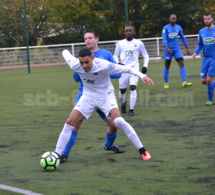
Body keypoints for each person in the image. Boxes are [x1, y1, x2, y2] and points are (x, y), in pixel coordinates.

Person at [55, 48, 154, 161]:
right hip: (88, 97)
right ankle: (57, 155)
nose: (84, 66)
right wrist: (65, 50)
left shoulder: (104, 65)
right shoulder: (75, 64)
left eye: (87, 62)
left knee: (118, 121)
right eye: (82, 62)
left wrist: (142, 76)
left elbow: (127, 69)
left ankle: (142, 149)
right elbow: (65, 53)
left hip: (106, 96)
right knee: (69, 122)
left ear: (93, 58)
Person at [60, 29, 123, 163]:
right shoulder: (82, 57)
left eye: (90, 38)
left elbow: (118, 74)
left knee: (114, 126)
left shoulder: (105, 54)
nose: (87, 40)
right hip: (85, 95)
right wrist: (81, 69)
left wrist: (101, 73)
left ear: (97, 39)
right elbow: (76, 79)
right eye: (85, 38)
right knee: (75, 123)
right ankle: (64, 154)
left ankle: (109, 146)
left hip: (102, 95)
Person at [114, 26, 149, 116]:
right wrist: (118, 63)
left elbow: (145, 55)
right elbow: (115, 55)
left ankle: (131, 109)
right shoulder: (120, 43)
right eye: (126, 31)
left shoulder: (139, 43)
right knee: (122, 91)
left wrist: (145, 66)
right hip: (123, 69)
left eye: (130, 31)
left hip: (134, 68)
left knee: (133, 87)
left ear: (133, 32)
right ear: (124, 33)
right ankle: (123, 102)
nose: (128, 32)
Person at [162, 14, 192, 89]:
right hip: (168, 50)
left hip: (177, 50)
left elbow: (183, 38)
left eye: (174, 18)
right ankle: (166, 83)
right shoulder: (165, 28)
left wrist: (187, 48)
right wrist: (167, 48)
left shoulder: (178, 27)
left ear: (176, 19)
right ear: (169, 19)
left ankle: (184, 82)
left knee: (181, 63)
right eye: (172, 18)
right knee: (167, 65)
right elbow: (164, 39)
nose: (173, 20)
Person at [192, 12, 215, 106]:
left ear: (212, 19)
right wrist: (195, 53)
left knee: (209, 80)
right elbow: (200, 45)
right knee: (203, 81)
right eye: (205, 19)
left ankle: (210, 100)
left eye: (209, 18)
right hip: (205, 59)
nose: (207, 20)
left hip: (214, 58)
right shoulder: (201, 31)